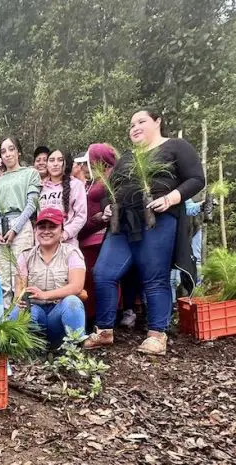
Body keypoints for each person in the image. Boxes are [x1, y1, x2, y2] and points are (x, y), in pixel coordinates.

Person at [85, 109, 205, 355]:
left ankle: (156, 335)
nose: (135, 127)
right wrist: (108, 207)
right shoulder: (127, 157)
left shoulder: (176, 147)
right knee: (103, 272)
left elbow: (196, 178)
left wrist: (172, 198)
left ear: (158, 122)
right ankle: (104, 330)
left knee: (155, 276)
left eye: (141, 121)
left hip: (157, 220)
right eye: (131, 124)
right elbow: (109, 189)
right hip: (123, 224)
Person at [9, 208, 86, 347]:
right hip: (36, 315)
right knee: (16, 311)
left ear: (62, 231)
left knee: (72, 302)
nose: (46, 231)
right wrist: (20, 300)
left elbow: (77, 286)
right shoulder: (25, 256)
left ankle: (76, 350)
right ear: (35, 230)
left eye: (52, 227)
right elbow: (19, 291)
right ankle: (25, 350)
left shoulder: (72, 253)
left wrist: (45, 295)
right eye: (42, 227)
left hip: (59, 315)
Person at [0, 136, 42, 306]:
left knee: (20, 276)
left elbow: (32, 203)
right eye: (3, 151)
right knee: (3, 278)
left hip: (20, 225)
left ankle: (20, 322)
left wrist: (16, 228)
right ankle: (6, 322)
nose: (8, 154)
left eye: (11, 149)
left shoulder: (30, 173)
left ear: (18, 151)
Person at [78, 143, 118, 323]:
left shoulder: (110, 179)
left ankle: (104, 317)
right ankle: (92, 315)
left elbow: (107, 207)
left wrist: (99, 218)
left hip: (100, 235)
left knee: (100, 276)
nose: (86, 166)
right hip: (86, 234)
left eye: (89, 161)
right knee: (90, 277)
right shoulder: (95, 179)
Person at [38, 150, 87, 246]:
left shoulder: (76, 185)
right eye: (51, 160)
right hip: (43, 244)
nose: (55, 164)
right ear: (47, 164)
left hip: (66, 243)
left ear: (66, 163)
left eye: (60, 160)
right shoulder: (41, 187)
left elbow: (81, 216)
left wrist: (65, 234)